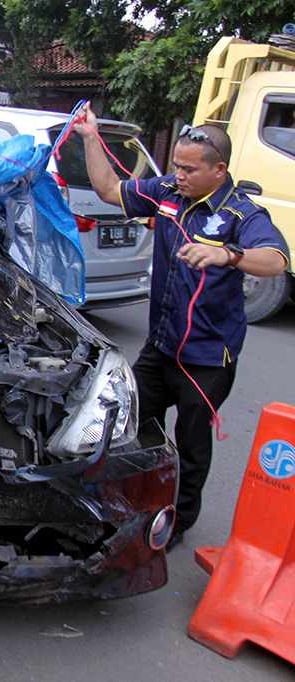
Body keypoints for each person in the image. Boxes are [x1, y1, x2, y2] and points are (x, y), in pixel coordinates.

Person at [73, 102, 288, 550]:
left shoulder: (241, 215)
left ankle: (178, 521)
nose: (179, 175)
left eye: (189, 169)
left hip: (208, 358)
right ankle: (123, 502)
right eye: (176, 166)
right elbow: (110, 189)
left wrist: (227, 254)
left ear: (219, 169)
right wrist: (92, 138)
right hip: (161, 347)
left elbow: (276, 260)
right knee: (126, 422)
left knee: (191, 447)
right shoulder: (169, 193)